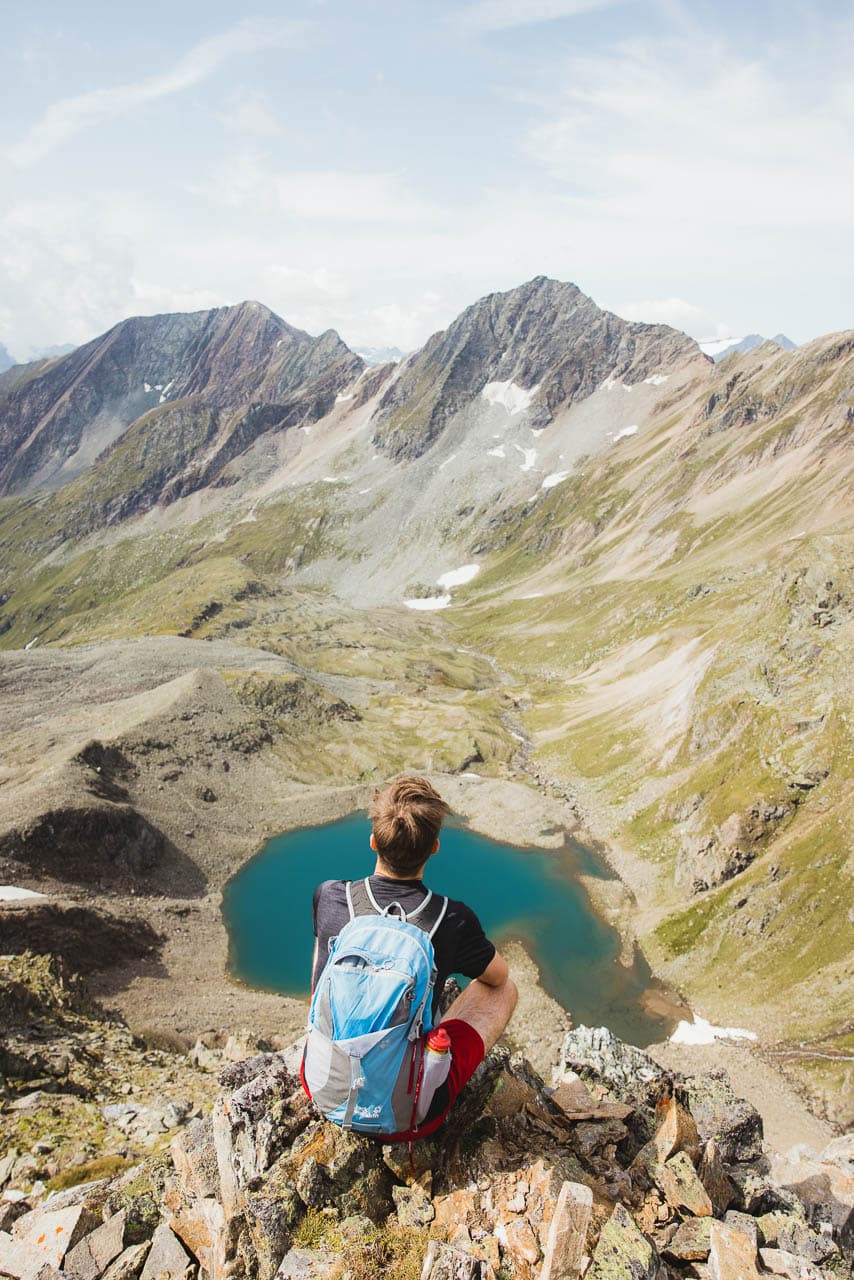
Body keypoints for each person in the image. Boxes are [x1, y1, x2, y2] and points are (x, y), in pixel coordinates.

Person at [306, 775, 517, 1142]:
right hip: (408, 1117)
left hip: (323, 1089)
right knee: (505, 990)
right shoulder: (451, 919)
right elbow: (497, 977)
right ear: (434, 847)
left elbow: (318, 986)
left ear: (373, 841)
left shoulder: (330, 897)